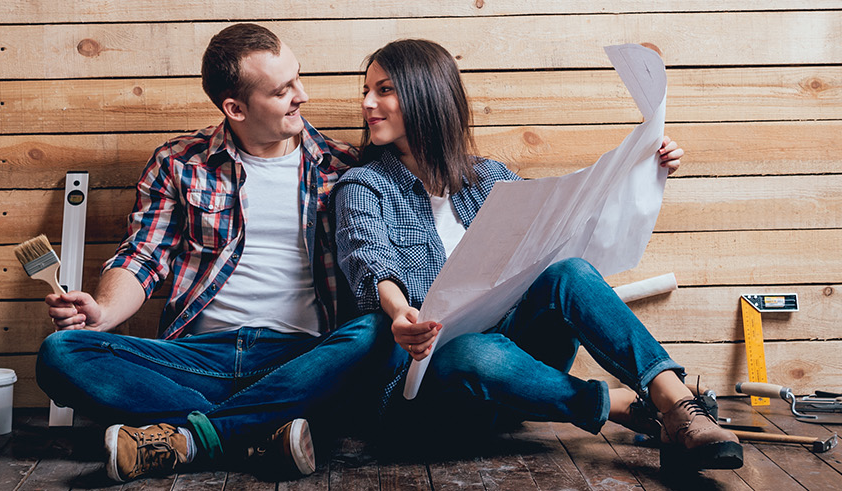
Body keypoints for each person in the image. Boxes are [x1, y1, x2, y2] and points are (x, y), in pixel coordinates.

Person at [333, 39, 743, 471]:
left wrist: (646, 166)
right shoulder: (363, 185)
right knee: (473, 350)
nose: (368, 103)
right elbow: (369, 259)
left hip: (517, 380)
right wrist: (400, 312)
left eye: (384, 89)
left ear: (426, 93)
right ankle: (619, 405)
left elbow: (561, 226)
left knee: (569, 271)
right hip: (429, 395)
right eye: (366, 91)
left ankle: (675, 403)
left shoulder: (489, 177)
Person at [36, 23, 384, 482]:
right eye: (283, 91)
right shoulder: (179, 161)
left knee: (375, 332)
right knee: (61, 352)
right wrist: (102, 312)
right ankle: (258, 432)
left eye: (298, 78)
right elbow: (143, 256)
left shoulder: (345, 167)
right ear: (234, 108)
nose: (302, 95)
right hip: (197, 361)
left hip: (304, 359)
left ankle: (189, 439)